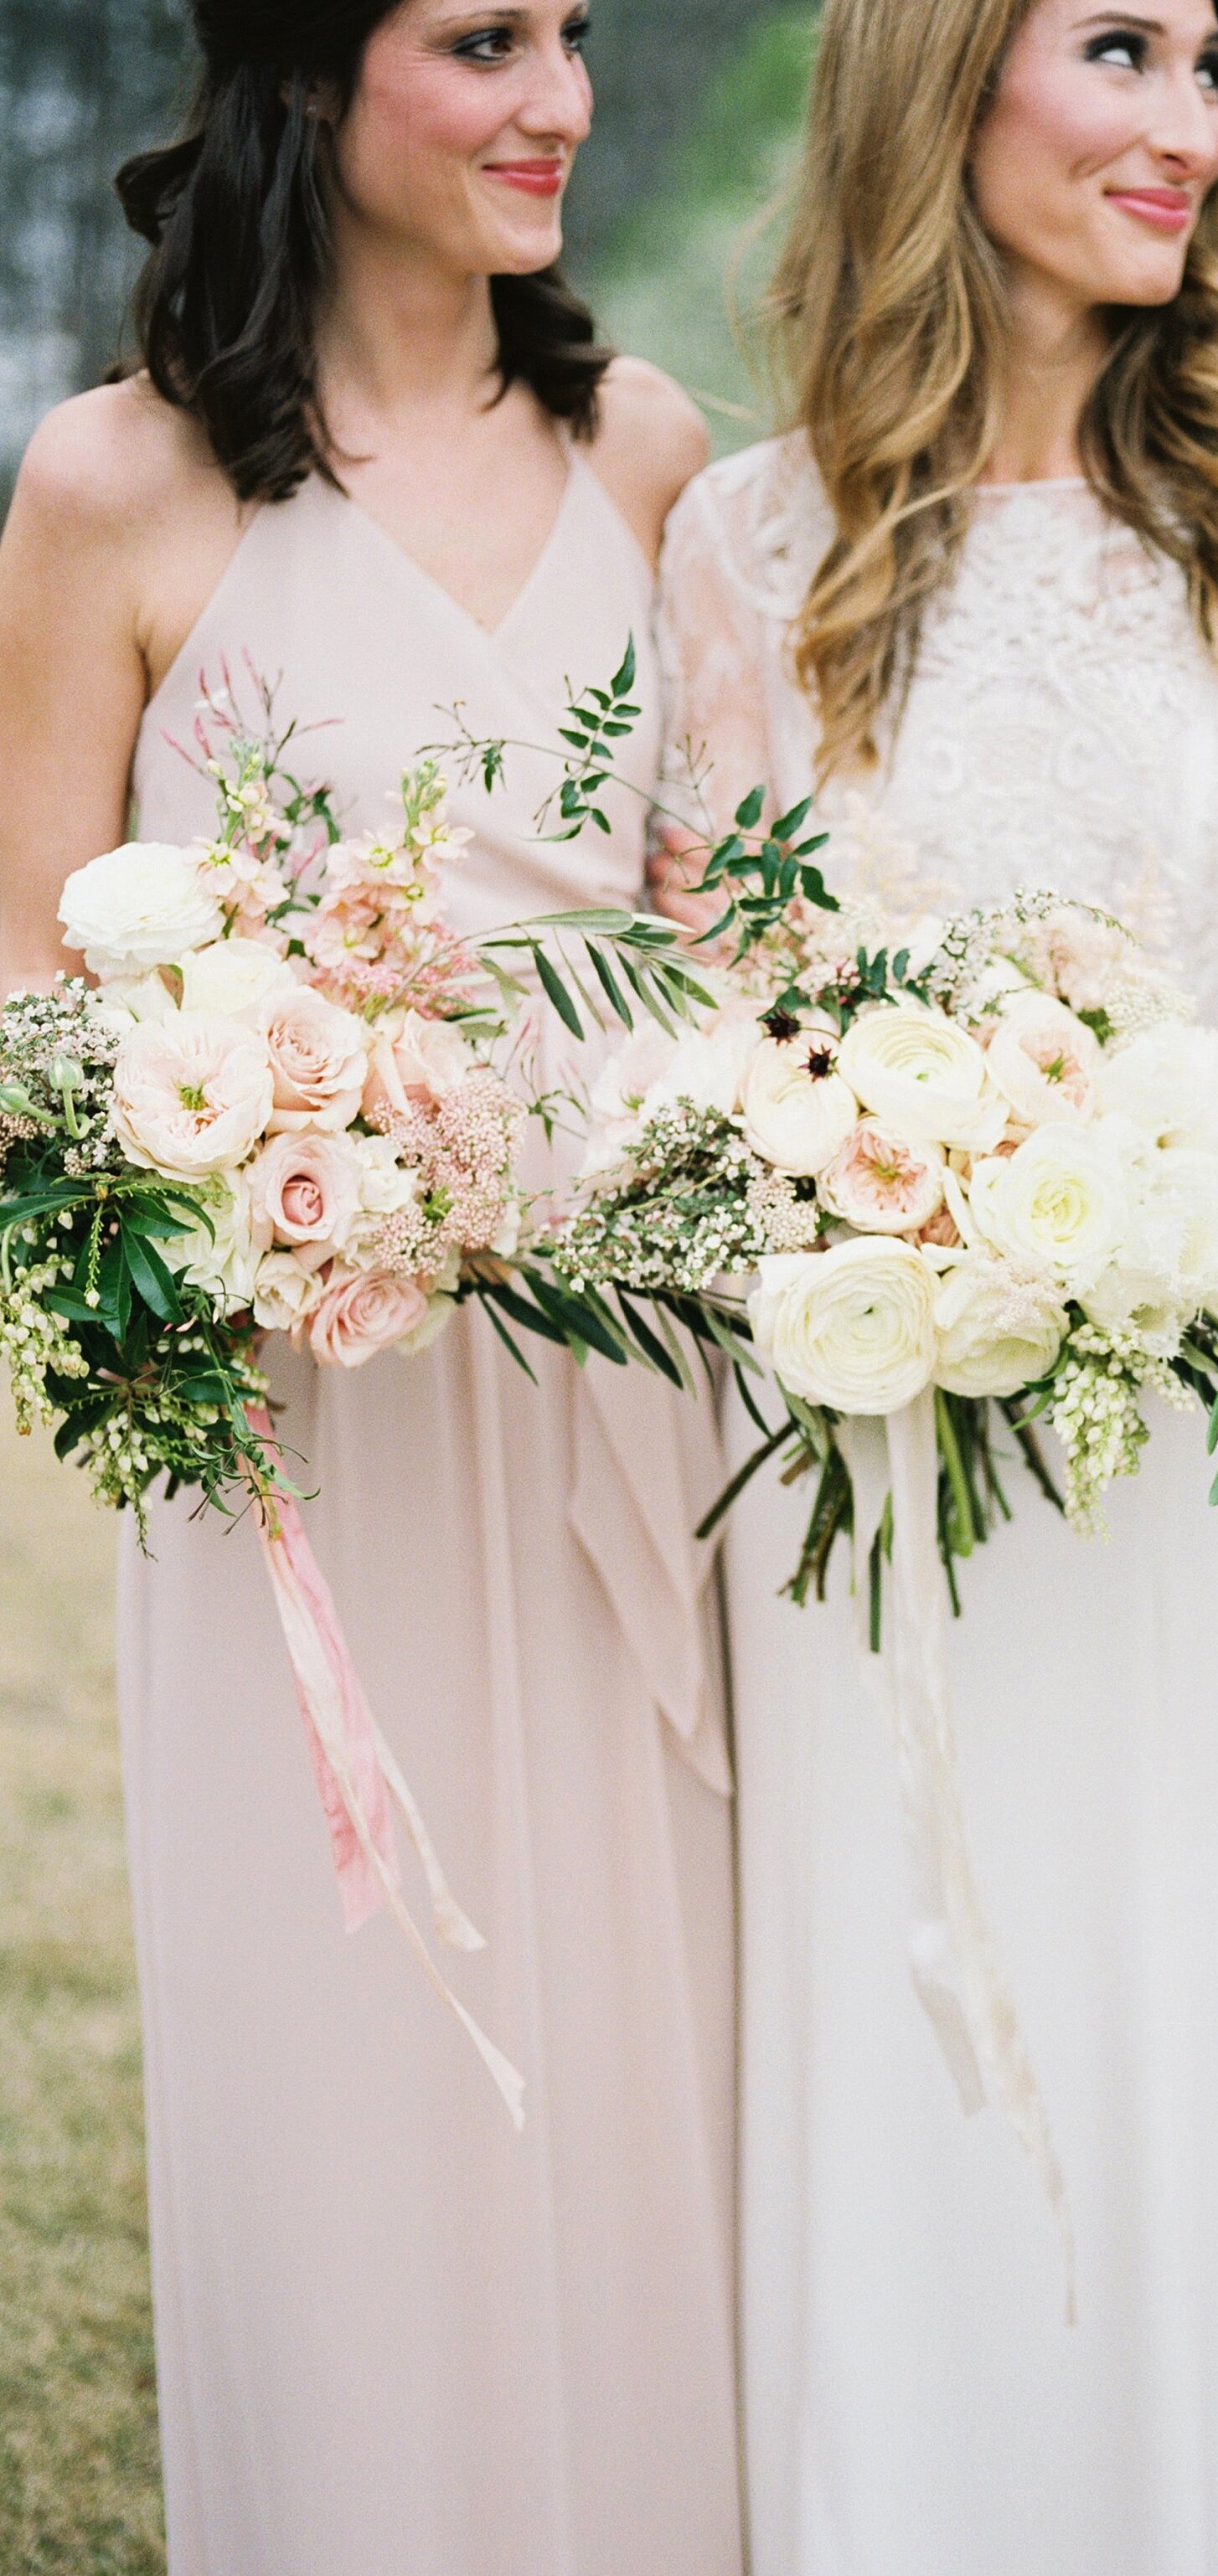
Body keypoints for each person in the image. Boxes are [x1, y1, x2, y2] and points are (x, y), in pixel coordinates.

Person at [650, 3, 1218, 2567]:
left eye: (1211, 62)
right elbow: (716, 1015)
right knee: (880, 2029)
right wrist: (874, 1185)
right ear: (938, 79)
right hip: (865, 1422)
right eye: (1116, 46)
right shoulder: (738, 535)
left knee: (1196, 2014)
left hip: (1209, 1411)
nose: (1185, 124)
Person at [0, 4, 742, 2568]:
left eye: (573, 37)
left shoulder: (647, 452)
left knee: (645, 2062)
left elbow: (725, 942)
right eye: (486, 36)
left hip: (628, 1407)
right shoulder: (116, 485)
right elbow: (31, 1003)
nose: (556, 92)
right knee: (348, 2069)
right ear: (310, 70)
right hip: (302, 1423)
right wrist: (230, 1162)